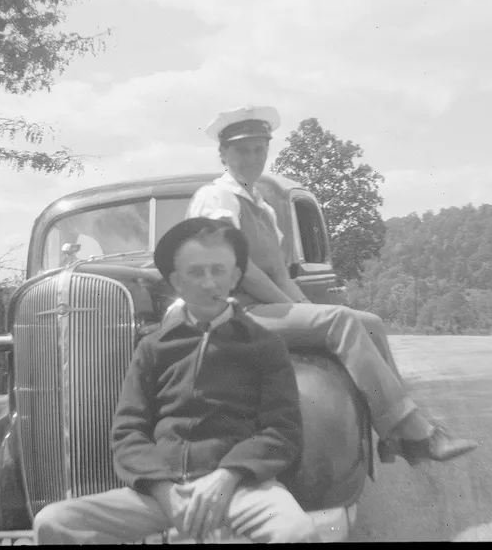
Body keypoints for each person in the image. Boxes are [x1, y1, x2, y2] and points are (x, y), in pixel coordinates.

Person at [185, 105, 478, 465]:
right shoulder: (218, 197)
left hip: (260, 311)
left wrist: (308, 307)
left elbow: (279, 272)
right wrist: (302, 311)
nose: (252, 158)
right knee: (338, 321)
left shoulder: (261, 206)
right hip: (230, 315)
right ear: (223, 154)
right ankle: (418, 433)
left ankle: (395, 437)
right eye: (242, 150)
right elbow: (239, 268)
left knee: (368, 322)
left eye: (259, 149)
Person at [33, 217, 317, 544]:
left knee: (296, 532)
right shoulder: (153, 348)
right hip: (163, 494)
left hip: (241, 490)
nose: (209, 283)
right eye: (196, 272)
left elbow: (282, 430)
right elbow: (128, 431)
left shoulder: (265, 345)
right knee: (52, 523)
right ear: (176, 282)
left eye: (218, 270)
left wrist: (228, 477)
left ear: (235, 277)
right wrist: (165, 491)